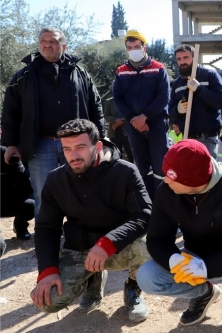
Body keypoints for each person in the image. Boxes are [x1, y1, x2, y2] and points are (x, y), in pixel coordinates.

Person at [137, 140, 222, 328]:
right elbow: (156, 239)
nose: (165, 180)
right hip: (193, 258)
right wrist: (174, 260)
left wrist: (206, 268)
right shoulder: (167, 192)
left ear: (192, 181)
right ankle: (203, 292)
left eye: (171, 176)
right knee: (147, 277)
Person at [31, 119, 151, 322]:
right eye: (67, 149)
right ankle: (93, 282)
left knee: (148, 246)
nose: (73, 155)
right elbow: (46, 228)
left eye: (80, 147)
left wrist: (108, 243)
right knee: (48, 301)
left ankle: (133, 289)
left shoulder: (126, 171)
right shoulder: (55, 180)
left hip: (117, 248)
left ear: (97, 146)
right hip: (80, 251)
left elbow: (145, 214)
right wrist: (47, 270)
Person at [1, 27, 104, 219]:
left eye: (54, 41)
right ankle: (46, 242)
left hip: (76, 145)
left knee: (79, 192)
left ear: (63, 46)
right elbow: (10, 111)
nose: (48, 45)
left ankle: (77, 240)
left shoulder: (81, 74)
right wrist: (11, 144)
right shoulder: (23, 76)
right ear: (39, 44)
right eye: (44, 41)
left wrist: (100, 139)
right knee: (43, 194)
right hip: (40, 146)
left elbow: (95, 106)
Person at [113, 29, 170, 199]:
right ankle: (146, 205)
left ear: (144, 48)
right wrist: (133, 119)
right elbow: (118, 99)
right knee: (141, 166)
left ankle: (163, 203)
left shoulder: (158, 68)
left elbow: (163, 97)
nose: (133, 50)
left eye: (137, 46)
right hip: (133, 126)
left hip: (157, 124)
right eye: (130, 47)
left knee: (160, 164)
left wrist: (144, 116)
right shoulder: (121, 71)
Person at [169, 44, 222, 160]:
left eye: (186, 57)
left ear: (194, 57)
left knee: (207, 174)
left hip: (208, 138)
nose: (182, 62)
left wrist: (199, 89)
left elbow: (221, 101)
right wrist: (177, 109)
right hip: (186, 138)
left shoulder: (210, 75)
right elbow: (169, 111)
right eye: (179, 59)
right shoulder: (176, 84)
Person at [1, 145, 35, 240]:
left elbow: (24, 183)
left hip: (10, 197)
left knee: (30, 204)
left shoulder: (6, 154)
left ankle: (20, 226)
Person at [103, 94, 133, 163]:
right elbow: (106, 115)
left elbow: (132, 113)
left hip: (127, 132)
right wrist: (115, 120)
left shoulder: (128, 100)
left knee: (131, 153)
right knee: (116, 154)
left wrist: (122, 121)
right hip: (114, 132)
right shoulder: (109, 101)